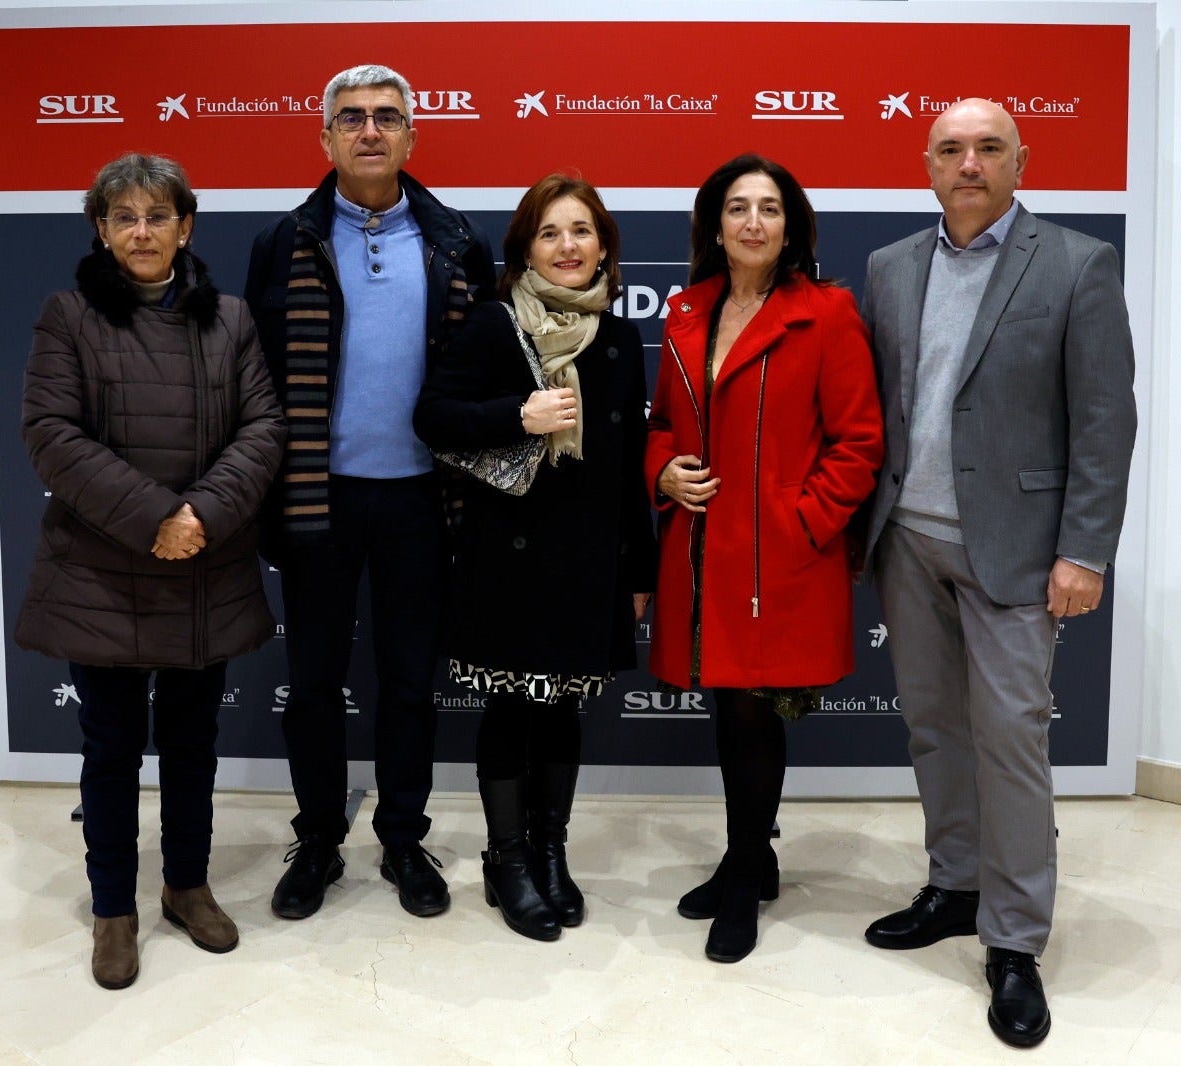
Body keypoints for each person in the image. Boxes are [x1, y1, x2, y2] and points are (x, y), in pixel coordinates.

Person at [858, 98, 1137, 1048]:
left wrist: (1085, 550)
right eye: (950, 149)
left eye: (988, 148)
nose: (968, 163)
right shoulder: (891, 268)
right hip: (909, 540)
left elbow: (1105, 422)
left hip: (1019, 551)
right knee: (936, 728)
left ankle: (1014, 941)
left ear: (1023, 160)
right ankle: (955, 884)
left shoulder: (1076, 263)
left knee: (1010, 741)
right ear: (926, 163)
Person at [14, 152, 286, 989]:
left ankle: (186, 886)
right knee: (110, 751)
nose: (141, 231)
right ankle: (113, 909)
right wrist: (157, 518)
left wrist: (198, 515)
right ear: (100, 229)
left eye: (157, 216)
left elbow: (264, 428)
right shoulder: (68, 317)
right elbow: (50, 433)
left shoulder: (231, 319)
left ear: (186, 226)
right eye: (123, 217)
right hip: (104, 576)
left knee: (192, 745)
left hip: (204, 564)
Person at [243, 64, 496, 922]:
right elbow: (258, 382)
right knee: (313, 681)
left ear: (413, 137)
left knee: (408, 686)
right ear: (325, 139)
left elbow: (482, 377)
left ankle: (400, 838)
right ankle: (317, 839)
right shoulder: (285, 241)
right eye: (350, 118)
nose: (370, 131)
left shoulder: (456, 239)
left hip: (423, 501)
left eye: (388, 117)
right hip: (317, 498)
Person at [646, 155, 883, 964]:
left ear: (792, 227)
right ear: (715, 224)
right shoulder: (686, 312)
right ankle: (754, 855)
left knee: (752, 715)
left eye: (770, 209)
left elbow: (859, 445)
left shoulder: (827, 314)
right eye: (738, 208)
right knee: (729, 709)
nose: (753, 222)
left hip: (780, 561)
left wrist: (800, 522)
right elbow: (658, 425)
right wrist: (661, 472)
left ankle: (745, 877)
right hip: (705, 554)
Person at [413, 175, 656, 941]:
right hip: (506, 560)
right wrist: (519, 414)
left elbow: (628, 466)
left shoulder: (617, 338)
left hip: (587, 561)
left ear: (604, 246)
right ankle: (507, 860)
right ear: (525, 249)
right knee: (508, 708)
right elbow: (432, 418)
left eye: (582, 231)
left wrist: (639, 571)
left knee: (561, 709)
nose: (567, 246)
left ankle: (551, 854)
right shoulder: (493, 325)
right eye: (550, 233)